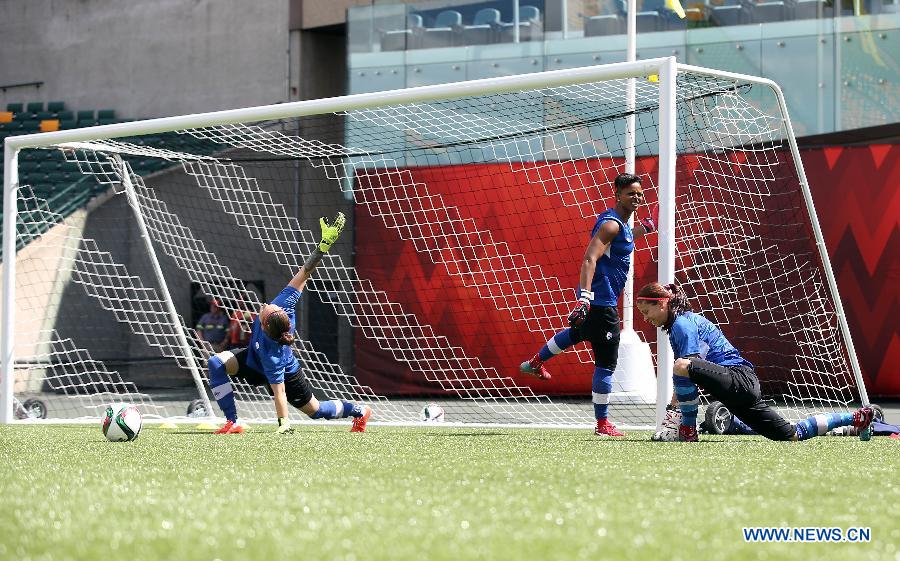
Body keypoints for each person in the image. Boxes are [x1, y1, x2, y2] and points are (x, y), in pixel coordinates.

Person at [634, 281, 875, 442]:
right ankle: (857, 418)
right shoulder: (679, 324)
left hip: (739, 379)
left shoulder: (682, 324)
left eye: (646, 312)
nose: (645, 319)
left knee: (681, 366)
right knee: (792, 435)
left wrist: (674, 415)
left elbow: (685, 369)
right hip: (737, 392)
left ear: (662, 303)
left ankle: (687, 431)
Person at [207, 212, 372, 435]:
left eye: (266, 309)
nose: (266, 304)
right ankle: (232, 421)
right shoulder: (284, 305)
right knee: (216, 363)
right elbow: (305, 272)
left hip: (285, 375)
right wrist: (323, 247)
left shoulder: (273, 354)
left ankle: (359, 411)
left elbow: (279, 392)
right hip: (254, 361)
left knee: (317, 411)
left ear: (265, 326)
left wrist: (283, 424)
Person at [519, 173, 656, 437]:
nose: (637, 197)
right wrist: (584, 298)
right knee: (606, 362)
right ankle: (602, 425)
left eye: (639, 193)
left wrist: (647, 227)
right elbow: (589, 260)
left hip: (598, 301)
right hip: (600, 303)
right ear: (618, 195)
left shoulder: (623, 225)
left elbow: (625, 240)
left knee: (576, 334)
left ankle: (536, 362)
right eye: (631, 193)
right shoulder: (611, 224)